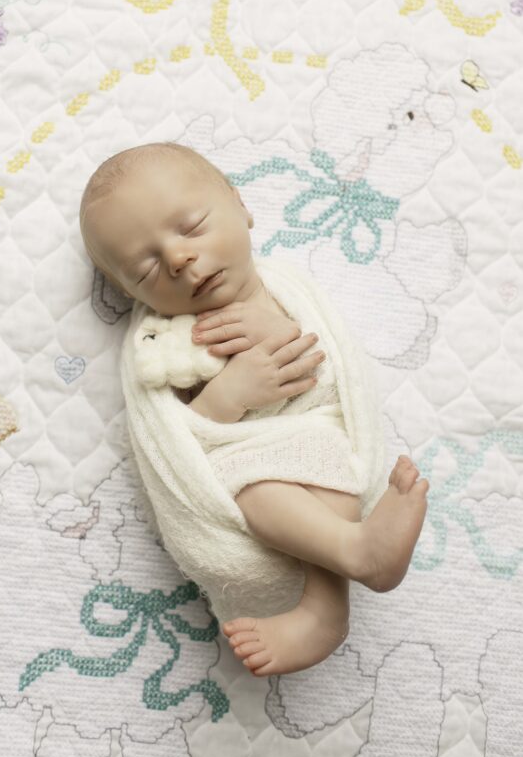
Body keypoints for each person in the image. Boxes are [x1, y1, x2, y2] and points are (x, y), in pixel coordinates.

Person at [79, 140, 430, 677]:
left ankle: (329, 600)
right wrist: (231, 393)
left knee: (325, 453)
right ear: (129, 292)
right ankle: (346, 570)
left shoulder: (287, 291)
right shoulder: (165, 340)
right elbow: (177, 441)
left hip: (319, 444)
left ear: (240, 207)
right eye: (146, 269)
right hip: (243, 470)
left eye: (192, 226)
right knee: (255, 479)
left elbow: (335, 377)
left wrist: (285, 334)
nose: (178, 260)